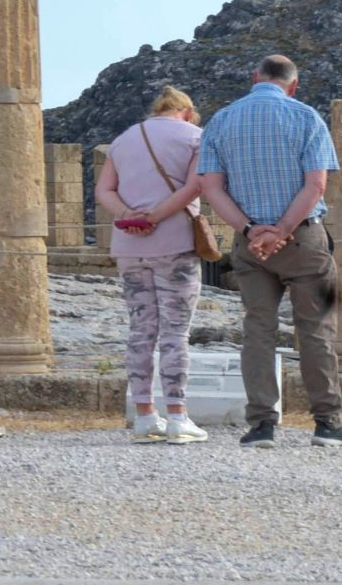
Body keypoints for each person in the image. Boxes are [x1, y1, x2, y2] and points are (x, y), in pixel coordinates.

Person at [198, 53, 342, 447]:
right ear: (293, 85)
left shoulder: (222, 120)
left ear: (253, 77)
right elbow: (315, 187)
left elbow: (211, 188)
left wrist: (250, 229)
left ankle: (262, 424)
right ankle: (327, 422)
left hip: (249, 243)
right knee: (317, 331)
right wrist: (282, 230)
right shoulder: (306, 117)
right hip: (304, 238)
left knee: (257, 330)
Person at [99, 86, 209, 442]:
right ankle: (178, 414)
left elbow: (103, 191)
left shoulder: (123, 139)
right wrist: (157, 216)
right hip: (174, 241)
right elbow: (195, 187)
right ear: (188, 112)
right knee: (175, 332)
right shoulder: (196, 137)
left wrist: (131, 216)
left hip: (129, 246)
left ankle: (144, 414)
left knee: (141, 329)